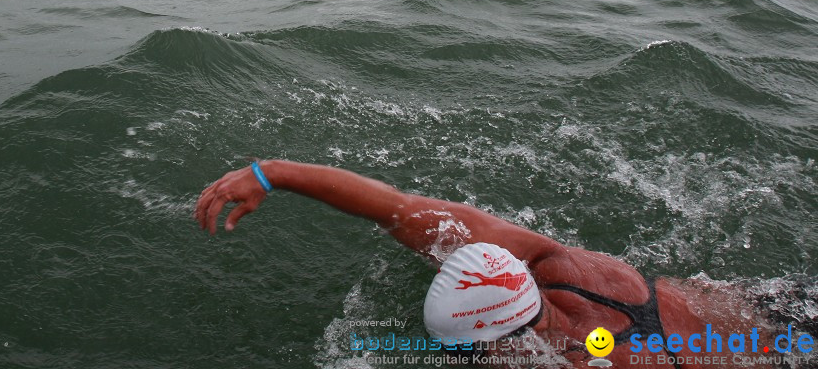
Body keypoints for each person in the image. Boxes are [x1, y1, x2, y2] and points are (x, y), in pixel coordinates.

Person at [194, 160, 797, 367]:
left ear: (511, 343)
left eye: (467, 353)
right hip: (765, 304)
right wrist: (273, 174)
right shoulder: (546, 261)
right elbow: (400, 211)